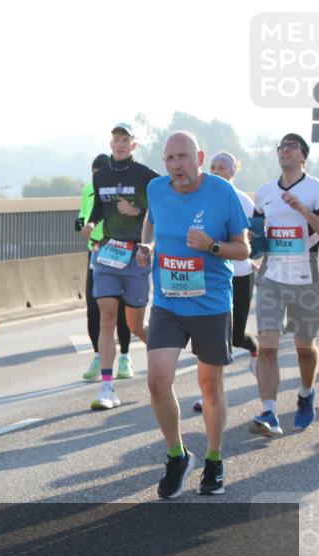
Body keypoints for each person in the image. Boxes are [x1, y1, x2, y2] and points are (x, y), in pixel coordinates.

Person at [139, 131, 250, 498]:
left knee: (210, 386)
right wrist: (148, 247)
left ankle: (214, 461)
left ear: (199, 157)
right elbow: (151, 222)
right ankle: (177, 455)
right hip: (168, 302)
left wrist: (212, 246)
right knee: (157, 381)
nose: (175, 166)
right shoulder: (156, 189)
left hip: (210, 303)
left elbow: (243, 248)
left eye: (183, 157)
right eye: (169, 159)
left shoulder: (222, 192)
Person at [248, 133, 319, 436]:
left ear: (303, 156)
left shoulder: (315, 189)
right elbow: (254, 234)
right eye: (282, 146)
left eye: (292, 147)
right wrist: (253, 241)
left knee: (304, 348)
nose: (285, 150)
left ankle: (305, 394)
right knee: (267, 346)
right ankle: (269, 412)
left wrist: (303, 210)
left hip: (306, 276)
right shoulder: (264, 192)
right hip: (271, 276)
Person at [88, 122, 159, 410]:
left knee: (134, 324)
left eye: (125, 139)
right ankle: (107, 387)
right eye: (116, 138)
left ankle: (162, 362)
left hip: (136, 255)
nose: (119, 143)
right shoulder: (101, 175)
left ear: (133, 144)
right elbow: (98, 209)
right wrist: (91, 223)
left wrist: (138, 210)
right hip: (107, 253)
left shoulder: (146, 176)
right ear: (111, 143)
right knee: (107, 316)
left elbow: (162, 207)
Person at [192, 151, 259, 412]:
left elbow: (258, 236)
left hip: (240, 274)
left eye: (222, 167)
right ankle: (208, 395)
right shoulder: (202, 198)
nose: (217, 170)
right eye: (213, 166)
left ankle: (254, 348)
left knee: (235, 336)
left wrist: (254, 256)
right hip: (211, 275)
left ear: (233, 172)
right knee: (210, 339)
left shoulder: (243, 200)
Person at [78, 153, 134, 380]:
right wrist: (83, 225)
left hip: (122, 252)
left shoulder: (123, 190)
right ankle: (98, 356)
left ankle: (124, 357)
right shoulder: (88, 190)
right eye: (94, 177)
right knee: (93, 310)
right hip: (96, 253)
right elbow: (83, 215)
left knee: (121, 311)